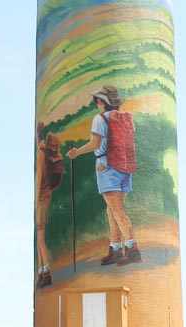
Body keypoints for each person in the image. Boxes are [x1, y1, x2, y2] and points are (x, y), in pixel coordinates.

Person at [66, 85, 142, 267]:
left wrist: (76, 152)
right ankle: (115, 249)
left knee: (117, 211)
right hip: (123, 166)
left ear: (100, 101)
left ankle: (132, 249)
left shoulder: (100, 119)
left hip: (106, 166)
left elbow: (95, 143)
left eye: (96, 99)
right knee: (112, 210)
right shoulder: (124, 118)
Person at [35, 122, 63, 288]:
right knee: (39, 237)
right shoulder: (49, 153)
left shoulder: (41, 153)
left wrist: (35, 200)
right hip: (48, 195)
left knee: (40, 237)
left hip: (41, 197)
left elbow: (38, 178)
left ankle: (46, 273)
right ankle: (41, 272)